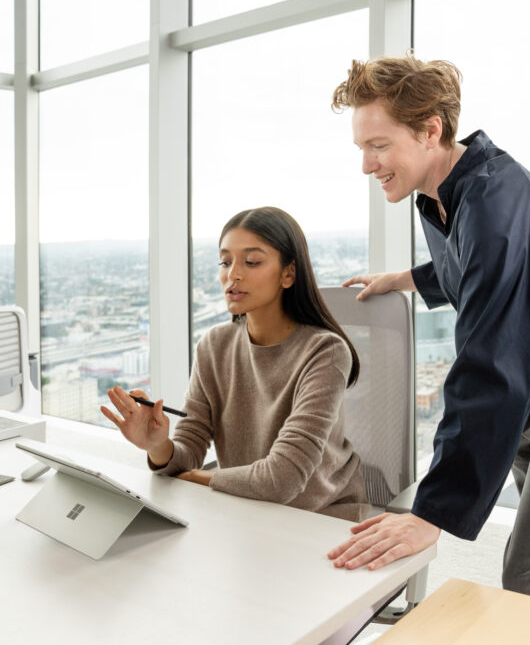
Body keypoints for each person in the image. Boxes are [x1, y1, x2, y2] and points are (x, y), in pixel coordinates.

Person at [325, 55, 530, 613]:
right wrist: (406, 278)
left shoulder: (497, 198)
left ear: (430, 129)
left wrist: (431, 513)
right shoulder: (441, 186)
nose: (366, 165)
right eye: (361, 148)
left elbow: (490, 361)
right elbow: (473, 266)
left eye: (377, 145)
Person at [101, 206, 369, 522]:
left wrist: (200, 480)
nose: (233, 274)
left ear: (288, 274)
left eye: (251, 261)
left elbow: (283, 479)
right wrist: (159, 447)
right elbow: (188, 452)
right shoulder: (214, 346)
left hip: (322, 521)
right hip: (245, 511)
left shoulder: (325, 352)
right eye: (225, 262)